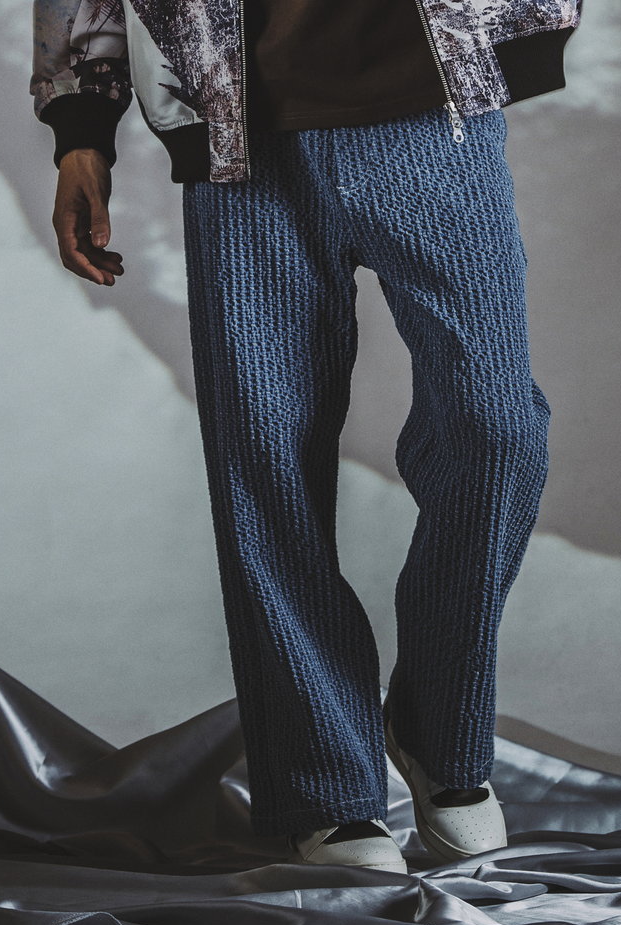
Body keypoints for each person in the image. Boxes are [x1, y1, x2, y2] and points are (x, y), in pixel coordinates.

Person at [31, 0, 583, 872]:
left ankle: (440, 728)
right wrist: (81, 128)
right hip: (235, 123)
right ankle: (327, 786)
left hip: (436, 103)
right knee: (267, 458)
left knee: (497, 428)